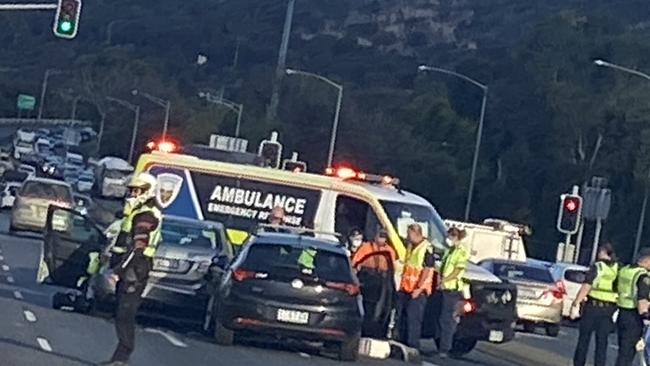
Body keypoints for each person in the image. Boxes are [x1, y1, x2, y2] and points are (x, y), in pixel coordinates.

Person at [101, 173, 162, 366]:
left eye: (137, 191)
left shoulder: (146, 214)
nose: (132, 194)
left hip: (135, 269)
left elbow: (138, 248)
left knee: (125, 314)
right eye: (131, 190)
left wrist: (118, 272)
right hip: (131, 267)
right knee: (122, 313)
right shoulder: (136, 212)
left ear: (147, 192)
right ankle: (119, 357)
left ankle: (122, 358)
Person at [571, 243, 619, 366]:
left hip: (593, 307)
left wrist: (576, 303)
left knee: (584, 339)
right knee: (602, 342)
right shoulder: (618, 268)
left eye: (599, 251)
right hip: (609, 309)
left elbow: (586, 286)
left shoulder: (597, 267)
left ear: (603, 252)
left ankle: (579, 364)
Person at [396, 223, 436, 349]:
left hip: (418, 291)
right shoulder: (411, 246)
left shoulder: (426, 248)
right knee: (402, 317)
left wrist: (418, 288)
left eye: (409, 234)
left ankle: (413, 345)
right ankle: (401, 342)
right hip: (406, 288)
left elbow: (427, 270)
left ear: (415, 233)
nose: (408, 237)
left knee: (414, 319)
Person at [352, 229, 397, 337]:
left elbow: (392, 269)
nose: (382, 238)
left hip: (382, 281)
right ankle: (364, 330)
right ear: (375, 236)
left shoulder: (390, 251)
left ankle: (375, 331)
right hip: (366, 279)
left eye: (384, 236)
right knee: (365, 306)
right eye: (380, 236)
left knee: (379, 308)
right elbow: (355, 264)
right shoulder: (365, 247)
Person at [438, 227, 469, 359]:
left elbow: (457, 271)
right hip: (445, 288)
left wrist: (445, 279)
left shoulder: (461, 251)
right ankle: (442, 347)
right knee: (443, 319)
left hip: (453, 290)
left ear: (455, 237)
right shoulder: (449, 251)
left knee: (448, 321)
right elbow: (444, 266)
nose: (448, 240)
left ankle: (445, 349)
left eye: (450, 237)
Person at [615, 248, 650, 366]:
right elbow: (642, 299)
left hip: (622, 313)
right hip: (635, 317)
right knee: (628, 353)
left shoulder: (625, 270)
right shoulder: (643, 275)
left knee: (622, 351)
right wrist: (645, 319)